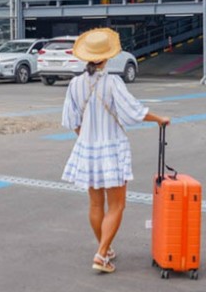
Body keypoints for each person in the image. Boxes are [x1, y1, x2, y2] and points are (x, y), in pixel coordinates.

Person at [61, 27, 169, 274]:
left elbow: (72, 121)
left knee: (95, 205)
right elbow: (133, 112)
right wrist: (159, 118)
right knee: (117, 205)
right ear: (107, 57)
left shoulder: (75, 84)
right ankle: (101, 255)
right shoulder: (112, 82)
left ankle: (105, 249)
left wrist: (88, 137)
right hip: (112, 149)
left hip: (87, 150)